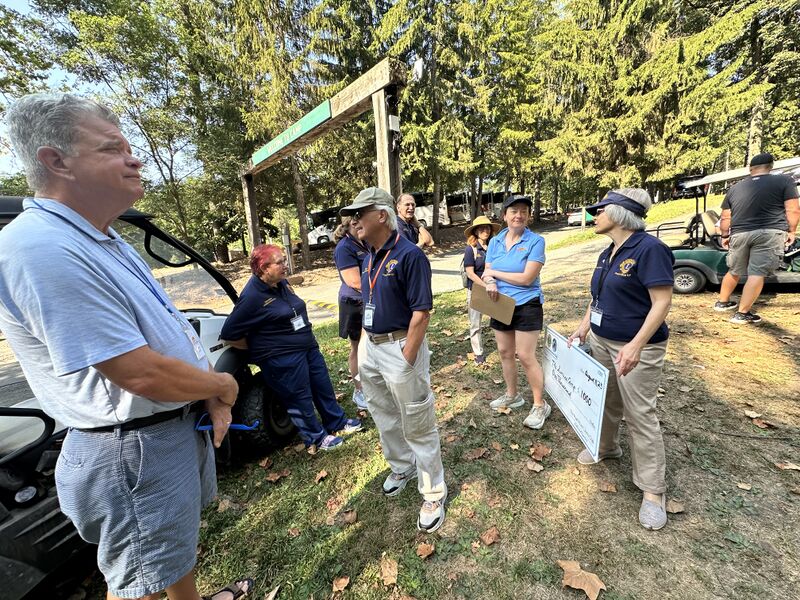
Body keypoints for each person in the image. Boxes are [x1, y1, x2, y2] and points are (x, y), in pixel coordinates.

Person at [0, 93, 252, 599]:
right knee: (140, 582)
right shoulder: (42, 247)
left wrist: (202, 392)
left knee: (167, 553)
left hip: (156, 434)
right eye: (112, 147)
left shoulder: (101, 237)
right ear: (56, 161)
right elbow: (138, 372)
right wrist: (222, 384)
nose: (133, 159)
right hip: (130, 448)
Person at [340, 187, 447, 533]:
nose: (354, 220)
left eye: (360, 213)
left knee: (417, 420)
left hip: (400, 346)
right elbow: (370, 303)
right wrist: (364, 350)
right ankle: (402, 466)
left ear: (381, 215)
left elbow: (421, 313)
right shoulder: (369, 256)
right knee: (383, 414)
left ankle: (433, 492)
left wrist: (407, 358)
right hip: (372, 347)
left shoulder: (410, 255)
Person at [567, 188, 674, 531]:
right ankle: (606, 446)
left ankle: (653, 490)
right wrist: (584, 327)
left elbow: (661, 302)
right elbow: (597, 298)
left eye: (600, 209)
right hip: (601, 340)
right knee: (605, 400)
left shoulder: (650, 249)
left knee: (640, 413)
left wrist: (636, 345)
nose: (594, 215)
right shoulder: (607, 251)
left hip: (634, 347)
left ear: (619, 213)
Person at [220, 244, 362, 452]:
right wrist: (263, 348)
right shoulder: (252, 297)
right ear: (264, 268)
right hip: (283, 357)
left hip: (307, 347)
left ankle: (336, 422)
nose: (285, 265)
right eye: (280, 262)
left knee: (322, 385)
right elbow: (229, 334)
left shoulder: (280, 282)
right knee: (299, 397)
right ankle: (316, 437)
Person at [481, 195, 550, 430]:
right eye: (513, 211)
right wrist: (490, 281)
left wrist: (495, 274)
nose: (518, 215)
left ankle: (540, 405)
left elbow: (527, 278)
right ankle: (513, 395)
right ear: (504, 215)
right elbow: (486, 272)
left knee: (525, 355)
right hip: (499, 302)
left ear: (528, 216)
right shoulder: (495, 242)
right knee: (505, 352)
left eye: (523, 211)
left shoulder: (536, 242)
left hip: (527, 304)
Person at [714, 152, 800, 324]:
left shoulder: (735, 187)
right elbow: (793, 209)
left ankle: (722, 302)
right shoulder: (784, 181)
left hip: (739, 233)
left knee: (734, 269)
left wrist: (725, 235)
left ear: (750, 168)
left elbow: (725, 217)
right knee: (757, 273)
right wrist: (792, 231)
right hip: (769, 232)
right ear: (771, 166)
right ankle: (742, 313)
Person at [333, 217, 369, 409]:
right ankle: (359, 390)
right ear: (353, 224)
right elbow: (354, 281)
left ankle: (372, 385)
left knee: (370, 344)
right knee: (358, 347)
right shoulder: (344, 247)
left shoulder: (365, 241)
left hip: (369, 299)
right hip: (354, 302)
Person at [462, 215, 500, 365]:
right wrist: (485, 285)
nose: (485, 230)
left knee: (500, 319)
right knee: (475, 324)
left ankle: (506, 346)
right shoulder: (470, 249)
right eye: (482, 228)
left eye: (488, 228)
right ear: (476, 231)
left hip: (494, 289)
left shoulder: (494, 247)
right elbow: (470, 273)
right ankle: (478, 353)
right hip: (476, 291)